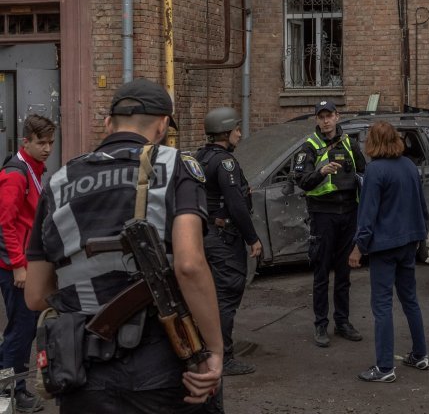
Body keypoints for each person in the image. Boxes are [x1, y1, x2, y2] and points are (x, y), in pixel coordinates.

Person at [24, 78, 222, 413]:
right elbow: (189, 265)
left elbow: (35, 294)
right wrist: (214, 350)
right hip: (162, 366)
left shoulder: (58, 181)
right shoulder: (175, 166)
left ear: (107, 123)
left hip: (80, 370)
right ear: (162, 126)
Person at [349, 121, 428, 383]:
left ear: (372, 142)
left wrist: (359, 247)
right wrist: (420, 234)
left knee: (382, 305)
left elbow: (368, 213)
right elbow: (421, 205)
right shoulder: (409, 166)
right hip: (409, 242)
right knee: (410, 300)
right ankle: (420, 355)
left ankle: (384, 368)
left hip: (384, 246)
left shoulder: (375, 171)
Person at [195, 107, 262, 389]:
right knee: (225, 296)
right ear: (224, 132)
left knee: (207, 295)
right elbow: (235, 205)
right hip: (224, 239)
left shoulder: (200, 157)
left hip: (204, 235)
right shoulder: (225, 164)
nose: (239, 133)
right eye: (236, 129)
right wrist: (252, 238)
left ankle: (203, 348)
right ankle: (225, 355)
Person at [294, 99, 366, 347]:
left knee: (344, 272)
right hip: (323, 214)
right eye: (321, 117)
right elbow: (301, 181)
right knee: (322, 271)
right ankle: (320, 325)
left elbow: (364, 174)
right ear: (317, 120)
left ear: (337, 117)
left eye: (329, 116)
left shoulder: (350, 144)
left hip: (348, 212)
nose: (325, 121)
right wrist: (321, 172)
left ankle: (343, 322)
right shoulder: (309, 148)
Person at [0, 114, 55, 413]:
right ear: (26, 142)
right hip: (16, 268)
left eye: (50, 142)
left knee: (21, 330)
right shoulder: (15, 174)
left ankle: (5, 381)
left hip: (27, 264)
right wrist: (18, 265)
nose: (47, 148)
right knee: (21, 332)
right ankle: (13, 393)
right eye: (41, 143)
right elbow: (4, 225)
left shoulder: (34, 169)